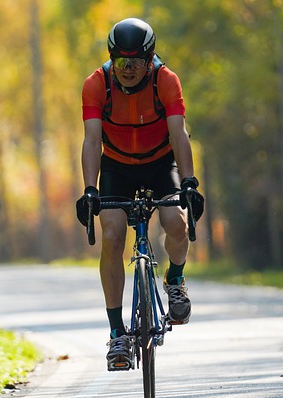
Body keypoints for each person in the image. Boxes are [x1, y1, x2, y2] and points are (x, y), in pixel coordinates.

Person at [75, 18, 204, 371]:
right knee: (113, 234)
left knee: (175, 221)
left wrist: (189, 182)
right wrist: (90, 189)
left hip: (160, 162)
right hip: (116, 166)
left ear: (150, 60)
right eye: (121, 62)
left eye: (136, 62)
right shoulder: (96, 85)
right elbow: (91, 141)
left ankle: (174, 280)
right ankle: (117, 334)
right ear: (111, 59)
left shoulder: (166, 80)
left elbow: (179, 134)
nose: (129, 69)